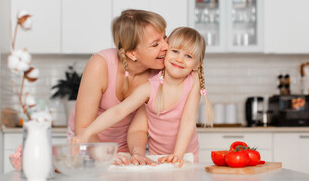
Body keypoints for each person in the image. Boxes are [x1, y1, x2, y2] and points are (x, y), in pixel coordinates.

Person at [72, 27, 214, 166]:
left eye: (188, 56)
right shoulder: (149, 87)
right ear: (166, 52)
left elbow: (188, 121)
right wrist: (87, 133)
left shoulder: (193, 80)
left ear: (197, 64)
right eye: (175, 51)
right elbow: (119, 110)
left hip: (185, 156)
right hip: (156, 158)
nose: (179, 59)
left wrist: (177, 155)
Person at [67, 9, 169, 165]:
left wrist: (136, 153)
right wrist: (104, 154)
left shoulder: (159, 74)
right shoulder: (100, 65)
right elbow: (82, 127)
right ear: (132, 53)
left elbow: (140, 128)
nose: (166, 46)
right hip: (88, 146)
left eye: (165, 37)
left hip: (125, 151)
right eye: (155, 44)